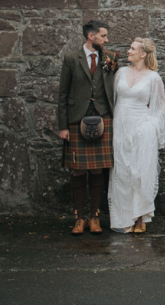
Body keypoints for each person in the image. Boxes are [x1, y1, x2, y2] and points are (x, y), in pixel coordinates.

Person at [57, 20, 117, 235]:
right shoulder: (72, 58)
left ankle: (95, 217)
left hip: (103, 118)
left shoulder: (110, 58)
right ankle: (79, 218)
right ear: (91, 36)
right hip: (76, 119)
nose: (106, 39)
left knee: (98, 169)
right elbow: (63, 93)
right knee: (78, 169)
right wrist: (63, 126)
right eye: (103, 36)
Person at [108, 37, 165, 233]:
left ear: (143, 54)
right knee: (122, 172)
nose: (128, 51)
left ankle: (140, 217)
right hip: (121, 127)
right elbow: (112, 100)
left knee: (140, 173)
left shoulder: (153, 78)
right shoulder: (121, 73)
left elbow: (161, 108)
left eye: (132, 49)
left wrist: (150, 127)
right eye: (129, 47)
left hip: (142, 129)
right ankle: (124, 218)